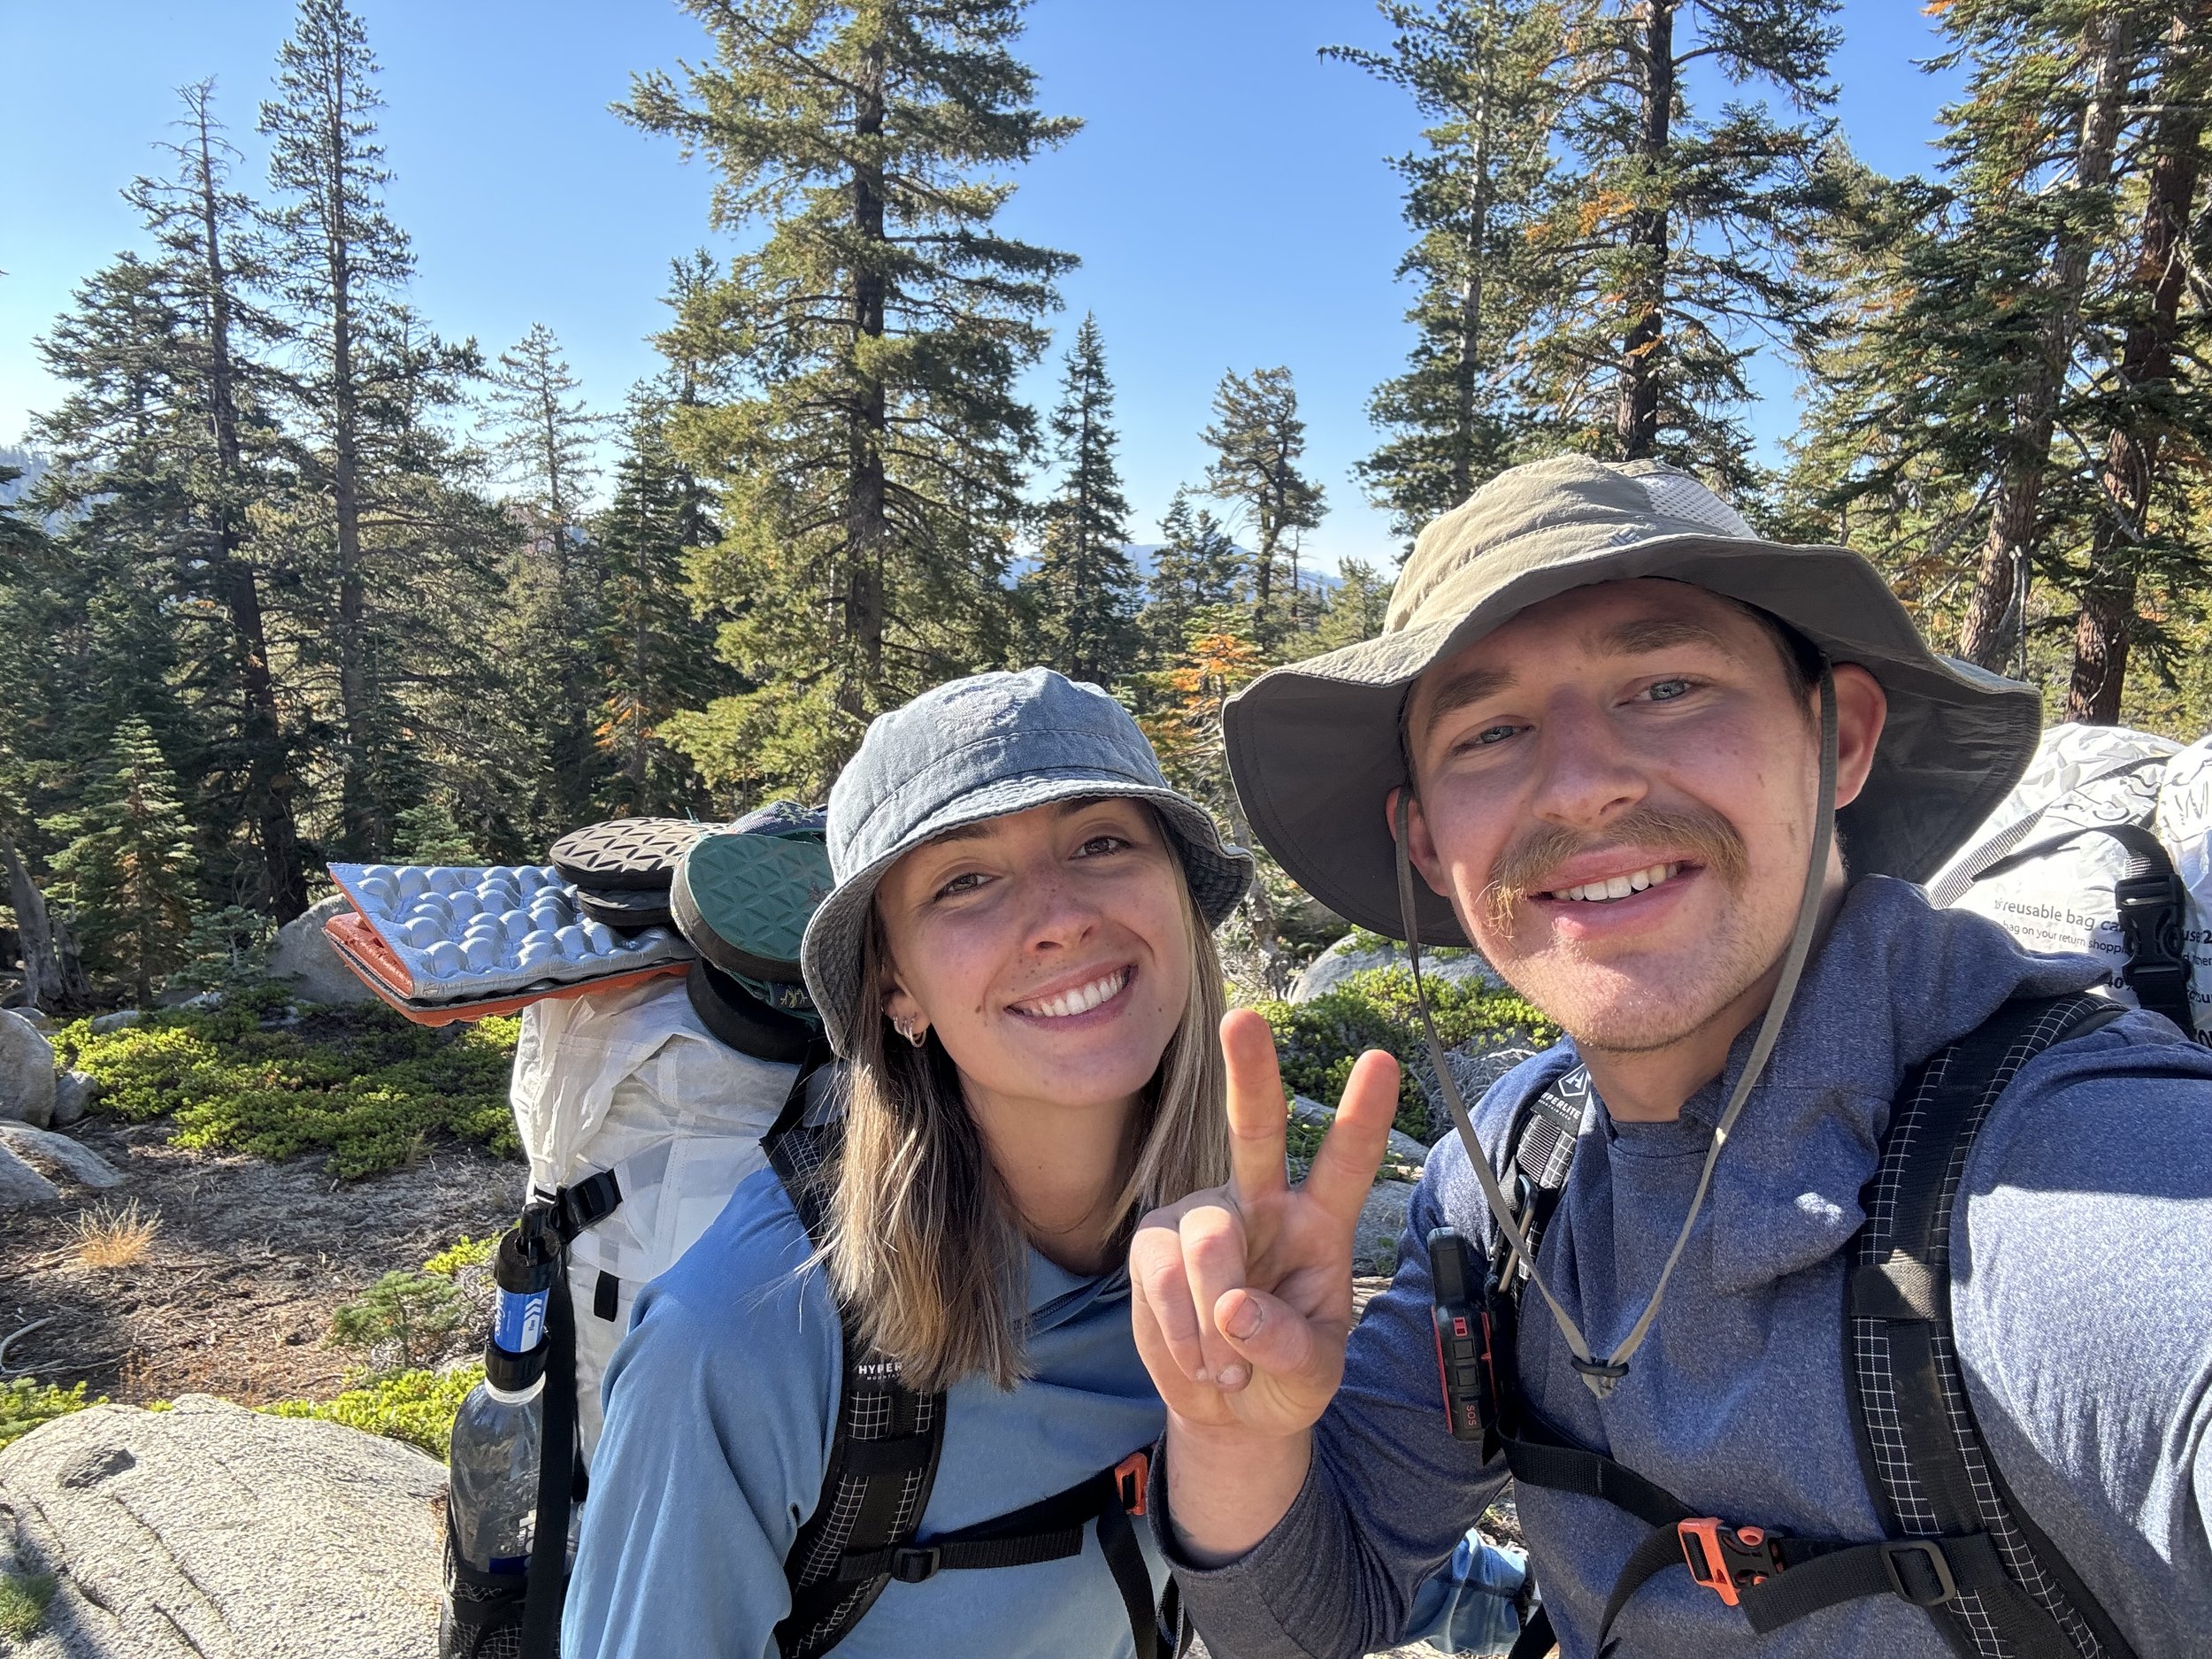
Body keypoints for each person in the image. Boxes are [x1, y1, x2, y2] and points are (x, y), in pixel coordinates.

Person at [1129, 457, 2212, 1658]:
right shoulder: (1511, 1179)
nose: (1586, 782)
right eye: (1492, 730)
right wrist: (1233, 1427)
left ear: (1836, 737)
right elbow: (1307, 1620)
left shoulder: (2074, 1191)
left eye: (1666, 684)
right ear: (1429, 839)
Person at [562, 668, 1255, 1659]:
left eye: (1102, 842)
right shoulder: (743, 1344)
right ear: (898, 990)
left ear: (1179, 903)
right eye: (963, 881)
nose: (1058, 916)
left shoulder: (1237, 1243)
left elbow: (1325, 1538)